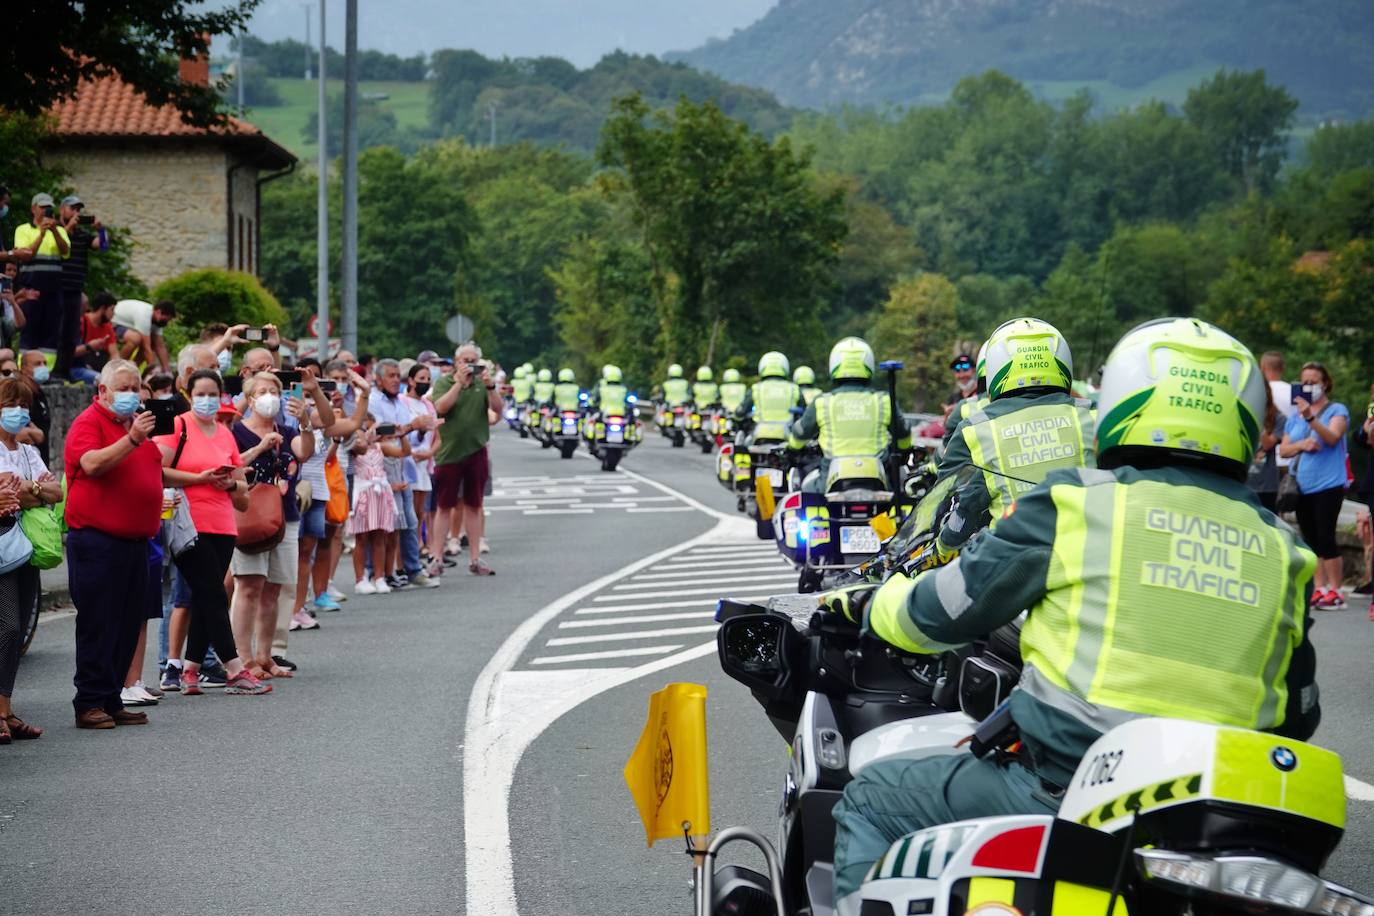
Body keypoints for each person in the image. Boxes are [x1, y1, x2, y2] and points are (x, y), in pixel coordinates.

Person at [829, 318, 1321, 905]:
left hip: (1068, 793)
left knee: (870, 798)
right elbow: (1297, 713)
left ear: (1123, 402)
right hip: (1216, 825)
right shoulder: (1285, 549)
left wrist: (865, 604)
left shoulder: (1076, 502)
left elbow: (939, 607)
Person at [929, 318, 1093, 559]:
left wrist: (940, 548)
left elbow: (950, 500)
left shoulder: (976, 428)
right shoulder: (1091, 417)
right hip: (1085, 555)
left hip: (1009, 562)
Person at [154, 369, 270, 696]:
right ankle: (234, 668)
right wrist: (199, 479)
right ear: (188, 395)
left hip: (223, 524)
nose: (207, 400)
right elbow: (158, 471)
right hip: (186, 523)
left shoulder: (223, 433)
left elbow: (242, 492)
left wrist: (231, 483)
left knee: (208, 594)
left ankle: (191, 669)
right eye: (200, 394)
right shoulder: (177, 426)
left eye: (212, 394)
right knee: (214, 593)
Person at [62, 360, 162, 729]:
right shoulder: (90, 423)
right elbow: (91, 463)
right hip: (97, 541)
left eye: (136, 387)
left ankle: (110, 697)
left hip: (134, 541)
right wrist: (132, 438)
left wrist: (199, 478)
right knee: (98, 622)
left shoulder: (129, 424)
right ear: (102, 390)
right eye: (123, 387)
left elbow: (153, 469)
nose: (131, 394)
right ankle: (88, 701)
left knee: (126, 622)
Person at [230, 372, 312, 670]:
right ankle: (244, 657)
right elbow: (229, 465)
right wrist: (261, 447)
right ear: (250, 399)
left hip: (285, 517)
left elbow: (305, 452)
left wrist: (305, 422)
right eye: (262, 391)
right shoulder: (237, 432)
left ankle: (265, 656)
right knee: (249, 586)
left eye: (274, 391)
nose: (269, 396)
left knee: (274, 589)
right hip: (248, 516)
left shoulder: (288, 432)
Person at [0, 376, 57, 739]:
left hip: (26, 546)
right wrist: (31, 490)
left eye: (25, 405)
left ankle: (6, 708)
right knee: (6, 626)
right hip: (4, 544)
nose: (20, 411)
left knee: (18, 629)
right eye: (11, 404)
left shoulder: (26, 452)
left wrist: (26, 489)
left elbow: (54, 492)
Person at [787, 337, 910, 492]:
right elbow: (903, 435)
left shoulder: (823, 402)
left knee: (805, 492)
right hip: (880, 481)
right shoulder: (884, 400)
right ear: (869, 365)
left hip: (829, 480)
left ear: (834, 365)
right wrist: (905, 451)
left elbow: (799, 434)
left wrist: (792, 448)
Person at [428, 343, 503, 578]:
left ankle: (475, 557)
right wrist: (459, 383)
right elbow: (440, 407)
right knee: (444, 506)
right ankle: (436, 557)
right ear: (456, 362)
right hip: (449, 453)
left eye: (473, 360)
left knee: (474, 504)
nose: (469, 364)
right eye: (465, 360)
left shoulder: (482, 384)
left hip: (476, 450)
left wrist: (491, 387)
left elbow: (498, 411)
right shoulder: (444, 383)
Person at [1279, 361, 1350, 610]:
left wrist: (1311, 416)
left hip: (1328, 483)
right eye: (1304, 382)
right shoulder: (1293, 418)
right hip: (1303, 486)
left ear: (1325, 383)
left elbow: (1332, 438)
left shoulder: (1336, 410)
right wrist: (1301, 445)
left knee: (1326, 535)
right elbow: (1284, 449)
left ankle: (1336, 590)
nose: (1308, 386)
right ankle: (1319, 588)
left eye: (1313, 382)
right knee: (1310, 539)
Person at [369, 358, 439, 590]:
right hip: (381, 469)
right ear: (378, 379)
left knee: (408, 523)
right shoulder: (373, 401)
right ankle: (379, 573)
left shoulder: (399, 402)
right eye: (391, 376)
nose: (395, 380)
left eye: (398, 375)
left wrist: (420, 428)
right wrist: (412, 426)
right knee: (385, 526)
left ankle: (410, 570)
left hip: (403, 468)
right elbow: (381, 434)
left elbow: (407, 433)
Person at [54, 195, 107, 381]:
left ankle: (65, 370)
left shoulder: (83, 235)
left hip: (75, 288)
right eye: (72, 209)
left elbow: (102, 247)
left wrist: (101, 230)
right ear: (62, 210)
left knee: (71, 331)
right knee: (57, 329)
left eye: (79, 210)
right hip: (58, 287)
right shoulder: (56, 230)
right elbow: (57, 245)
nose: (76, 213)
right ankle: (55, 370)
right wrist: (69, 228)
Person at [11, 193, 69, 350]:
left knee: (51, 334)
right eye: (42, 207)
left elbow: (65, 251)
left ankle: (46, 371)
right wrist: (41, 235)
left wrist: (55, 231)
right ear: (33, 209)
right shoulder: (23, 230)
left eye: (48, 208)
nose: (45, 210)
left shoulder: (60, 231)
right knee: (29, 333)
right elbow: (25, 255)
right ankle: (25, 370)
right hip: (32, 290)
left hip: (53, 291)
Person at [348, 420, 397, 594]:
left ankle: (379, 577)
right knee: (361, 538)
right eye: (360, 432)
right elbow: (354, 447)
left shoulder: (379, 447)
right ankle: (360, 579)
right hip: (362, 493)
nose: (365, 434)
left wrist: (400, 432)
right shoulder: (352, 449)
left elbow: (403, 451)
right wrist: (362, 438)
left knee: (379, 537)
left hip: (379, 493)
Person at [404, 362, 438, 558]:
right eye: (421, 379)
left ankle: (418, 547)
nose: (425, 383)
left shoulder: (428, 405)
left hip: (424, 463)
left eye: (427, 379)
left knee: (420, 513)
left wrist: (429, 453)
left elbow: (437, 437)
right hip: (408, 461)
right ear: (411, 381)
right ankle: (409, 551)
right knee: (409, 513)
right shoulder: (403, 402)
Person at [113, 298, 175, 373]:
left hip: (127, 326)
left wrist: (167, 370)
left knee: (152, 343)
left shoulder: (157, 321)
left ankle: (132, 370)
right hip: (113, 323)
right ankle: (118, 366)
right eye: (166, 320)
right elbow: (146, 348)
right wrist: (155, 371)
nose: (166, 323)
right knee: (136, 339)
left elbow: (160, 346)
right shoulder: (144, 315)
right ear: (158, 312)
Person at [74, 291, 119, 381]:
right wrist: (90, 347)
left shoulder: (108, 327)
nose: (114, 314)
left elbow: (114, 353)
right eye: (112, 310)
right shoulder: (82, 322)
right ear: (103, 308)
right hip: (80, 366)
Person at [941, 347, 978, 421]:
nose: (962, 375)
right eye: (957, 371)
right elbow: (947, 427)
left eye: (965, 370)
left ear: (974, 371)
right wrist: (947, 415)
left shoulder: (983, 392)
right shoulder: (953, 398)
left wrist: (959, 408)